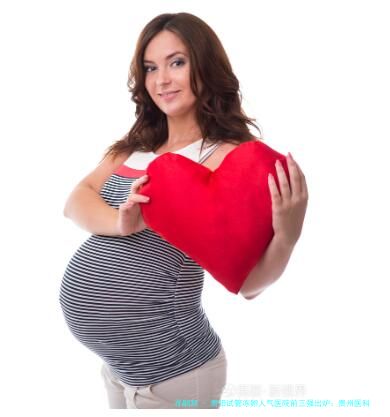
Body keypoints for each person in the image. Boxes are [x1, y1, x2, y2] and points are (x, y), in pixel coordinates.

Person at [59, 12, 308, 409]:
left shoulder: (230, 160)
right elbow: (76, 201)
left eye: (176, 62)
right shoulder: (137, 145)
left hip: (176, 371)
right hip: (119, 368)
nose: (161, 80)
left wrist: (287, 237)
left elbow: (249, 285)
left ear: (205, 66)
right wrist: (122, 224)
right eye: (150, 68)